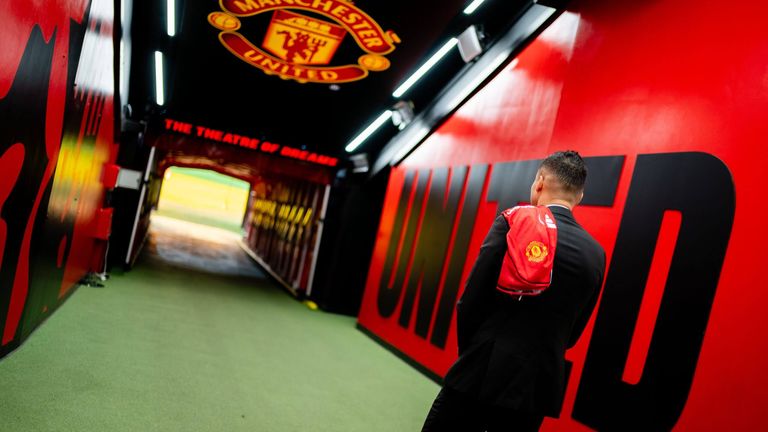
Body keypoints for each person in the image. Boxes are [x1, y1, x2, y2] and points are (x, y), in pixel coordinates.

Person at [421, 151, 606, 432]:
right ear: (578, 196)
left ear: (540, 182)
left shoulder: (513, 221)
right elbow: (573, 332)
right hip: (536, 387)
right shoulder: (596, 254)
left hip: (482, 370)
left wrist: (474, 351)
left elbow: (471, 300)